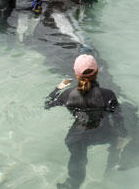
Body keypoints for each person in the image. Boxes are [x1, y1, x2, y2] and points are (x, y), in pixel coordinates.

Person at [45, 54, 126, 188]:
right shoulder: (108, 94)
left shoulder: (68, 95)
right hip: (103, 133)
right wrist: (122, 135)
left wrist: (60, 87)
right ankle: (110, 174)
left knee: (77, 159)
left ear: (76, 74)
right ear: (97, 72)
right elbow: (118, 118)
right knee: (117, 140)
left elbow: (47, 104)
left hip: (77, 137)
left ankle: (73, 183)